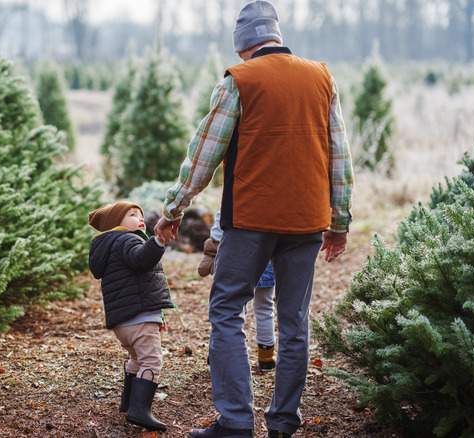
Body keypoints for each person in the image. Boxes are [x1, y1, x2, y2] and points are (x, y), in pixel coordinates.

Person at [154, 1, 354, 437]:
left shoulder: (239, 80)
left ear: (243, 45)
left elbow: (203, 156)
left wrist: (172, 210)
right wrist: (339, 223)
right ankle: (283, 423)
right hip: (307, 221)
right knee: (294, 321)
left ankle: (236, 423)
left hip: (250, 220)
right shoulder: (322, 77)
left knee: (227, 310)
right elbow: (339, 157)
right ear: (277, 37)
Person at [88, 201, 175, 432]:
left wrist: (158, 313)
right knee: (151, 361)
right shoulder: (128, 239)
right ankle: (140, 410)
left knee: (137, 358)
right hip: (140, 317)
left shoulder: (108, 245)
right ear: (116, 223)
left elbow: (136, 280)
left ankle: (128, 403)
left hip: (123, 321)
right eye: (133, 214)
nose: (140, 218)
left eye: (140, 214)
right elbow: (141, 260)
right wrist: (157, 241)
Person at [199, 212, 276, 371]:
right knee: (264, 306)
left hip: (240, 253)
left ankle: (219, 351)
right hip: (269, 251)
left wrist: (215, 240)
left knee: (230, 306)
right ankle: (266, 357)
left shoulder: (240, 189)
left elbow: (223, 215)